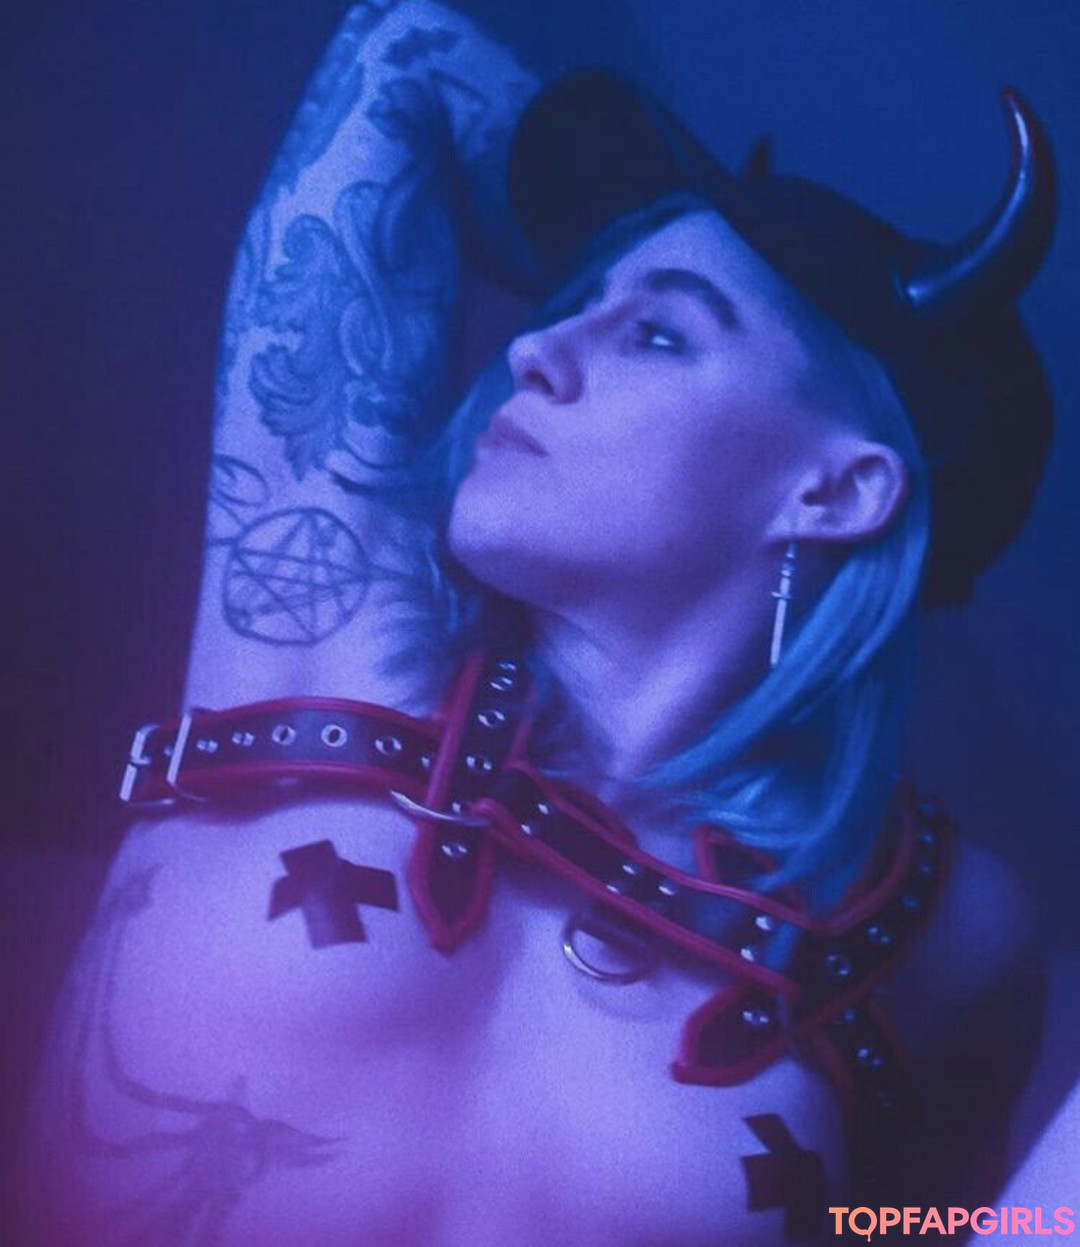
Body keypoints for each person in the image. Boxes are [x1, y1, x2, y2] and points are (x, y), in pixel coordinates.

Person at [19, 1, 1056, 1243]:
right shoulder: (329, 618)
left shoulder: (933, 929)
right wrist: (698, 220)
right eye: (573, 300)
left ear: (836, 492)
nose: (535, 349)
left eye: (657, 333)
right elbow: (401, 56)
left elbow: (925, 1226)